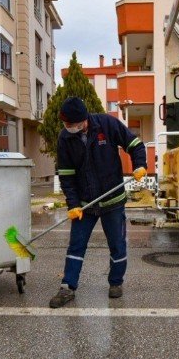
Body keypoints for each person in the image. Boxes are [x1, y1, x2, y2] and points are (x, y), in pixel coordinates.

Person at [49, 96, 147, 308]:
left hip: (112, 199)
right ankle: (68, 287)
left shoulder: (106, 124)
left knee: (117, 245)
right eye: (65, 124)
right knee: (76, 245)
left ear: (83, 120)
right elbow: (66, 175)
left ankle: (116, 283)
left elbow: (135, 144)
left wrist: (140, 165)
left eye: (71, 124)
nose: (68, 128)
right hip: (85, 203)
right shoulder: (65, 137)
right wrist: (73, 204)